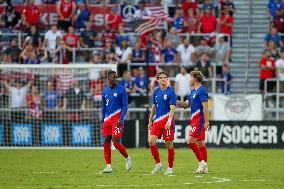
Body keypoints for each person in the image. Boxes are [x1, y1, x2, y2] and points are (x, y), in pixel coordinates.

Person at [176, 71, 209, 174]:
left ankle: (202, 163)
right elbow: (186, 105)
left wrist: (207, 121)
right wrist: (175, 101)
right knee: (201, 144)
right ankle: (205, 167)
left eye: (190, 77)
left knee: (190, 141)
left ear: (195, 78)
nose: (189, 79)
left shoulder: (201, 90)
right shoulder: (192, 91)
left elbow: (206, 107)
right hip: (194, 121)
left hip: (199, 121)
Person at [101, 71, 132, 173]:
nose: (115, 79)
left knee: (115, 142)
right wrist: (103, 120)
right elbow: (103, 107)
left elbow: (125, 106)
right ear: (108, 78)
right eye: (113, 77)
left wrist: (121, 118)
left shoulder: (122, 90)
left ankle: (127, 158)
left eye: (116, 77)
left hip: (117, 120)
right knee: (106, 140)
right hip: (107, 120)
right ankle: (108, 166)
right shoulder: (105, 91)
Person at [148, 71, 176, 175]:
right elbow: (154, 107)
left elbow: (172, 108)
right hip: (157, 121)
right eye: (161, 77)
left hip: (167, 122)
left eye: (165, 77)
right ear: (158, 79)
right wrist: (150, 120)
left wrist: (169, 121)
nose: (163, 79)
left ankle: (170, 167)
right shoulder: (156, 91)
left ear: (167, 79)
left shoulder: (171, 92)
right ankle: (158, 164)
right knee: (151, 141)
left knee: (169, 144)